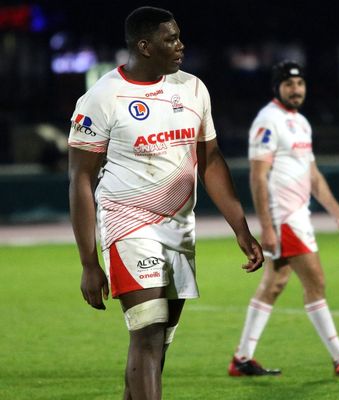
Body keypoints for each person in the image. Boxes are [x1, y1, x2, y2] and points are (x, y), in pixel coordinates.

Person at [68, 7, 263, 399]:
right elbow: (81, 179)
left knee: (158, 344)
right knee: (148, 331)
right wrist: (89, 263)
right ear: (144, 46)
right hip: (129, 226)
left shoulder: (192, 88)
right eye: (170, 39)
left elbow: (209, 160)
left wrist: (241, 227)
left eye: (179, 36)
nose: (180, 45)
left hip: (179, 227)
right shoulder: (102, 98)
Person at [228, 60, 339, 377]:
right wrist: (267, 227)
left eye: (300, 84)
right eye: (289, 84)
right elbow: (257, 176)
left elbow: (314, 177)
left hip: (297, 217)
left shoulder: (301, 123)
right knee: (316, 282)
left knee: (275, 283)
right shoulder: (268, 120)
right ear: (277, 87)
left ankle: (242, 359)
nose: (296, 89)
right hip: (284, 220)